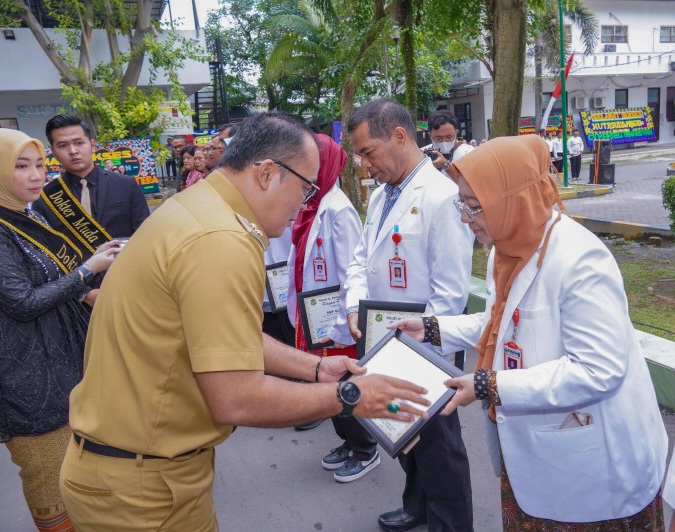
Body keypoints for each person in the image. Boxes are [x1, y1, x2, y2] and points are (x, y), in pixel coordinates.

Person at [59, 111, 431, 532]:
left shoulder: (198, 209)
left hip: (131, 467)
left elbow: (228, 339)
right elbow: (235, 397)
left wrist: (315, 367)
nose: (303, 204)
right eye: (305, 189)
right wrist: (348, 396)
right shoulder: (222, 239)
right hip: (142, 485)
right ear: (268, 173)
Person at [394, 134, 668, 531]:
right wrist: (433, 328)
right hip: (531, 455)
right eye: (463, 203)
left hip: (592, 466)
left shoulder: (580, 260)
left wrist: (489, 385)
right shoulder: (504, 250)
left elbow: (598, 370)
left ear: (513, 201)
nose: (464, 218)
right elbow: (497, 325)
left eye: (473, 207)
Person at [345, 98, 474, 532]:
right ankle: (417, 505)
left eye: (368, 152)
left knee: (439, 443)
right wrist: (353, 304)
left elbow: (451, 293)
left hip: (426, 345)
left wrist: (421, 346)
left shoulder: (442, 197)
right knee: (406, 432)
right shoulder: (381, 196)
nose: (364, 165)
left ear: (399, 136)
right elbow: (362, 259)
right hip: (385, 340)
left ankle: (451, 523)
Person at [0, 128, 118, 532]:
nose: (36, 176)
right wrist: (88, 272)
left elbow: (45, 283)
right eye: (20, 167)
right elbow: (22, 302)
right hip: (26, 380)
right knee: (49, 480)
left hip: (60, 364)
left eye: (39, 166)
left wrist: (82, 293)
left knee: (77, 474)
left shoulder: (22, 215)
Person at [285, 134, 370, 475]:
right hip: (313, 315)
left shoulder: (338, 210)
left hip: (333, 320)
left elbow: (352, 271)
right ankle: (348, 442)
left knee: (343, 388)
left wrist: (340, 326)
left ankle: (364, 449)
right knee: (327, 387)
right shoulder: (313, 206)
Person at [33, 115, 149, 259]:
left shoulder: (126, 185)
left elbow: (145, 234)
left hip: (123, 271)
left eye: (79, 143)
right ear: (54, 153)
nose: (73, 151)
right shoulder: (45, 197)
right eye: (63, 146)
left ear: (93, 145)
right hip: (75, 278)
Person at [421, 110, 473, 179]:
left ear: (456, 133)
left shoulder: (467, 152)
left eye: (449, 137)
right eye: (438, 139)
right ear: (430, 135)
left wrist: (445, 165)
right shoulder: (422, 153)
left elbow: (470, 183)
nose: (444, 142)